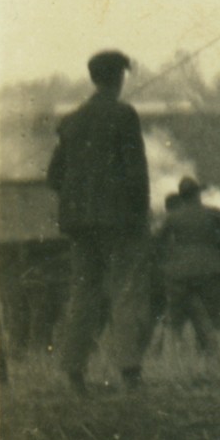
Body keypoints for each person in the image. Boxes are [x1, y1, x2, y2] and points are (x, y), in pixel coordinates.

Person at [45, 49, 154, 391]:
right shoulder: (124, 115)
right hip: (120, 222)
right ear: (119, 79)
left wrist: (80, 199)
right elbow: (137, 174)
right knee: (125, 291)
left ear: (94, 79)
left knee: (84, 293)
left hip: (79, 224)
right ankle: (130, 372)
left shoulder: (72, 120)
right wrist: (139, 216)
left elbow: (53, 176)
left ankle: (74, 372)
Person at [155, 178, 220, 355]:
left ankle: (172, 362)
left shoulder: (172, 217)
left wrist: (168, 260)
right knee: (217, 316)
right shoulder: (213, 214)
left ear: (181, 196)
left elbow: (157, 241)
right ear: (198, 194)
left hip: (179, 271)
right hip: (210, 268)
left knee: (175, 318)